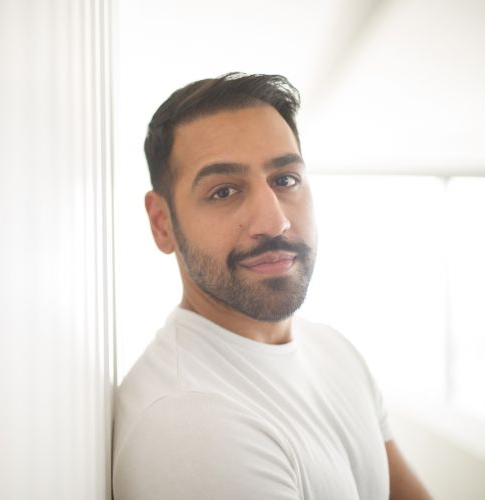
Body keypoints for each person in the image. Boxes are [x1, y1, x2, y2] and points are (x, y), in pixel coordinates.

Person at [112, 73, 432, 500]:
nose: (274, 222)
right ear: (162, 223)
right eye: (224, 191)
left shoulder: (334, 349)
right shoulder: (189, 425)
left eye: (285, 180)